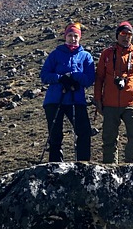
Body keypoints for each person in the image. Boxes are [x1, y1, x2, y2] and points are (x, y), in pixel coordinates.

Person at [93, 20, 133, 164]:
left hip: (130, 103)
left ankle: (130, 164)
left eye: (129, 34)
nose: (126, 37)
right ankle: (110, 168)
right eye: (123, 33)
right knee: (109, 137)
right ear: (117, 35)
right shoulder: (107, 54)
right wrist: (97, 100)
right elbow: (99, 78)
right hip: (109, 103)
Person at [40, 22, 95, 162]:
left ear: (80, 37)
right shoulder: (55, 54)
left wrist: (75, 76)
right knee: (55, 134)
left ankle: (83, 163)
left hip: (76, 100)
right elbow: (44, 75)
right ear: (65, 37)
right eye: (70, 35)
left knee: (84, 132)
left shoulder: (86, 56)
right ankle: (55, 165)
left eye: (76, 36)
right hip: (54, 99)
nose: (73, 38)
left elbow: (89, 79)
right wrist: (60, 78)